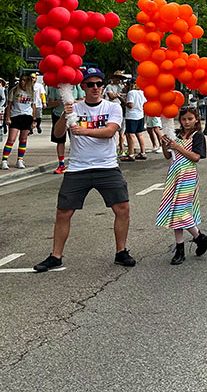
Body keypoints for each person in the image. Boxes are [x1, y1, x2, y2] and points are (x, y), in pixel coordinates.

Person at [33, 68, 136, 272]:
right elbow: (58, 133)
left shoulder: (112, 107)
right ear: (83, 87)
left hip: (106, 166)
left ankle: (121, 251)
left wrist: (83, 130)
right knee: (63, 212)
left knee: (122, 208)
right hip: (78, 168)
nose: (95, 88)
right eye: (90, 84)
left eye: (99, 84)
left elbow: (109, 132)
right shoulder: (75, 108)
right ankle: (56, 256)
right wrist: (64, 115)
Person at [157, 107, 207, 265]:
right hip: (174, 174)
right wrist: (165, 144)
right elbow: (168, 156)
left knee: (180, 211)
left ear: (196, 119)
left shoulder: (198, 136)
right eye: (184, 119)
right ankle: (196, 240)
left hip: (188, 176)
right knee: (175, 210)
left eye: (190, 119)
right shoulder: (176, 134)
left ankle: (195, 240)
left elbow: (196, 157)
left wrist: (178, 147)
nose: (187, 122)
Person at [45, 82, 86, 174]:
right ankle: (61, 164)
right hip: (59, 115)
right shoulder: (54, 87)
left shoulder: (76, 85)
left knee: (76, 138)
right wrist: (58, 102)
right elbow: (50, 103)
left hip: (74, 116)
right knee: (60, 140)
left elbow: (83, 99)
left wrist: (72, 102)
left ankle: (78, 161)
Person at [3, 76, 36, 170]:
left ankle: (20, 160)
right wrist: (8, 118)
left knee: (23, 139)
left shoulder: (32, 92)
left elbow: (33, 106)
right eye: (21, 80)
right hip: (15, 116)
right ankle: (4, 160)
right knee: (11, 139)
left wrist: (34, 120)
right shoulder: (14, 91)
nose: (22, 82)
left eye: (25, 80)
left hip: (27, 116)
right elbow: (9, 105)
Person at [121, 81, 147, 161]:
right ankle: (143, 152)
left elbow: (130, 105)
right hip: (140, 114)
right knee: (139, 134)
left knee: (130, 135)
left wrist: (123, 101)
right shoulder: (142, 92)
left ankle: (131, 154)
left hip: (131, 116)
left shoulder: (131, 93)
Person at [104, 71, 126, 154]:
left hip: (120, 107)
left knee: (121, 131)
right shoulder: (109, 86)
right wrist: (118, 94)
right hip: (112, 108)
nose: (118, 79)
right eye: (116, 77)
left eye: (119, 78)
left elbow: (125, 92)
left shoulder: (120, 86)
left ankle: (121, 148)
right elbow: (111, 96)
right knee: (111, 129)